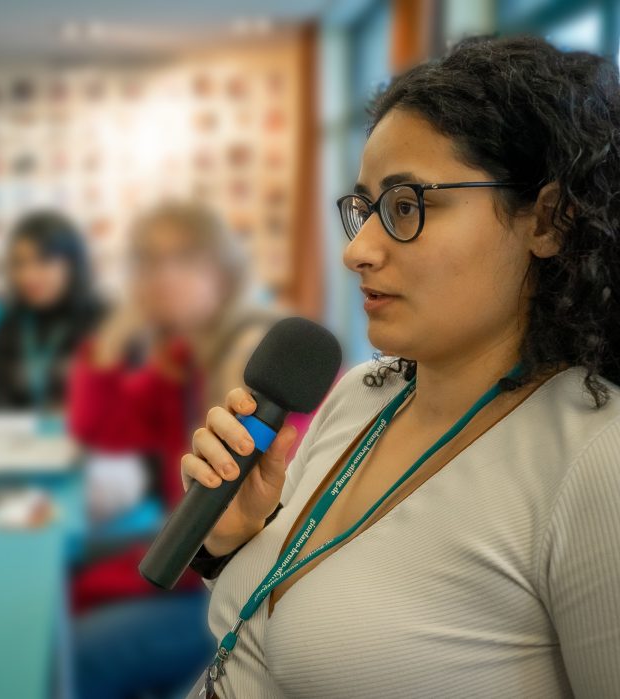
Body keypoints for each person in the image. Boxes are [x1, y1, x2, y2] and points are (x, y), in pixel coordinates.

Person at [183, 36, 620, 698]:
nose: (357, 250)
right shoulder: (362, 395)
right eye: (364, 209)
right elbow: (283, 626)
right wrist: (233, 540)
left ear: (549, 220)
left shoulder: (595, 463)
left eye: (406, 206)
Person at [67, 201, 310, 699]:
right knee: (63, 599)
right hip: (188, 570)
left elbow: (241, 533)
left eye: (183, 259)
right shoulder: (181, 358)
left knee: (78, 651)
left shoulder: (252, 359)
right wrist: (112, 340)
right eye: (149, 261)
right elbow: (100, 434)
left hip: (243, 596)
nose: (161, 276)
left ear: (223, 271)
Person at [0, 210, 103, 410]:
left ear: (72, 264)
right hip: (19, 439)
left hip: (89, 437)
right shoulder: (6, 328)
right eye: (19, 263)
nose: (28, 275)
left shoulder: (102, 323)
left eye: (43, 261)